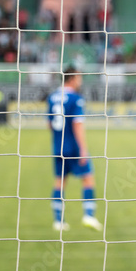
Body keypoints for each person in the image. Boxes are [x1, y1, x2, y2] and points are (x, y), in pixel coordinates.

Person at [47, 66, 102, 231]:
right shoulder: (76, 98)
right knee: (88, 178)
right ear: (72, 78)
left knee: (60, 182)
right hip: (74, 147)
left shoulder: (52, 97)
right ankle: (89, 216)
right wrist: (83, 148)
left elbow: (50, 124)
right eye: (79, 77)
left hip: (58, 147)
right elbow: (77, 124)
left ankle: (58, 221)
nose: (81, 81)